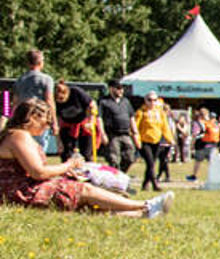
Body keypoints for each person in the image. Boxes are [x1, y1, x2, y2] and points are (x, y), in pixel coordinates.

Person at [1, 100, 169, 217]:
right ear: (32, 118)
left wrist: (64, 173)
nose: (47, 127)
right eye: (46, 122)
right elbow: (38, 172)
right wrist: (69, 165)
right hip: (20, 193)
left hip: (22, 190)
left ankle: (141, 214)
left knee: (86, 205)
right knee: (82, 190)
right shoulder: (19, 136)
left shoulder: (16, 135)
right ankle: (145, 205)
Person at [133, 93, 174, 193]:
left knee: (151, 164)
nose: (152, 102)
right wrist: (137, 141)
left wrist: (170, 139)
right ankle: (155, 184)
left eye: (154, 100)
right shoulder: (141, 112)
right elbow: (135, 128)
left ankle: (145, 184)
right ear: (145, 100)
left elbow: (165, 127)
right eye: (149, 100)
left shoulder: (160, 113)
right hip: (144, 141)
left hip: (156, 141)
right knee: (150, 163)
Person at [51, 81, 97, 161]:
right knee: (66, 154)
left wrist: (91, 122)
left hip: (83, 124)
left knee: (86, 154)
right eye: (58, 99)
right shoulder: (53, 100)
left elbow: (92, 105)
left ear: (67, 93)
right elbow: (56, 121)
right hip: (67, 125)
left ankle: (88, 170)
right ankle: (68, 171)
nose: (61, 101)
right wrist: (59, 142)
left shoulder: (76, 92)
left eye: (62, 98)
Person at [97, 82, 137, 173]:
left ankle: (121, 174)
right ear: (111, 89)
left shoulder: (125, 101)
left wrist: (135, 132)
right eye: (118, 88)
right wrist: (102, 134)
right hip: (112, 135)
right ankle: (115, 178)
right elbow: (99, 118)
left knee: (130, 157)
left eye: (122, 88)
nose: (121, 90)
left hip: (126, 134)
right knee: (114, 159)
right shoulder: (104, 101)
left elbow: (131, 117)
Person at [186, 106, 220, 182]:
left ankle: (194, 176)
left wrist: (192, 145)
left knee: (198, 161)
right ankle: (215, 177)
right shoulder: (213, 123)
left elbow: (195, 135)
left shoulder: (199, 123)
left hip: (201, 145)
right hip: (213, 145)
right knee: (211, 162)